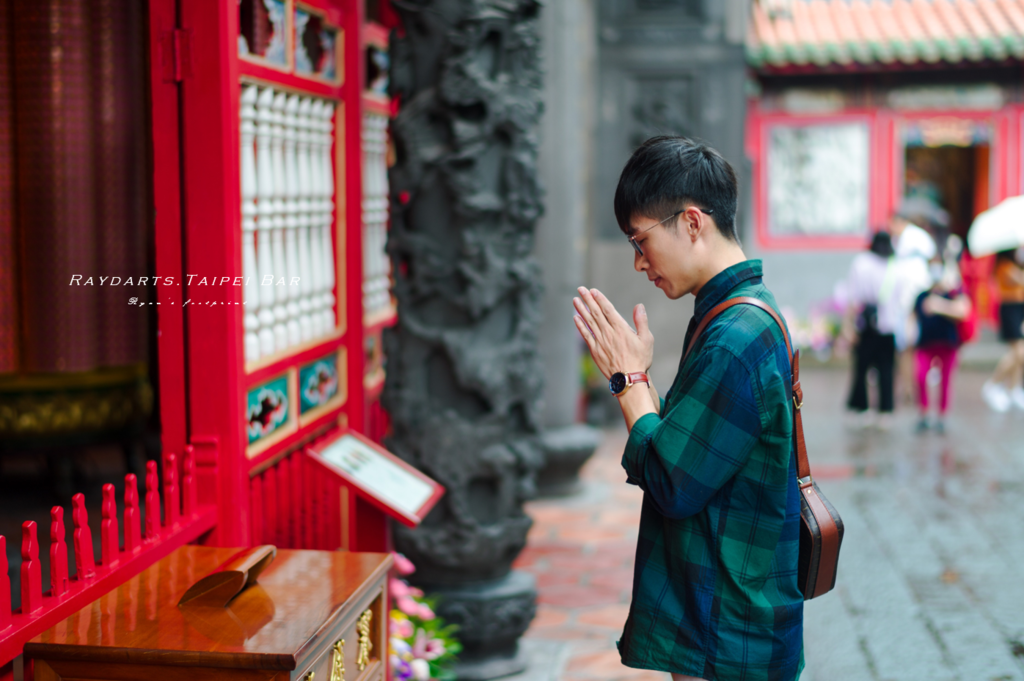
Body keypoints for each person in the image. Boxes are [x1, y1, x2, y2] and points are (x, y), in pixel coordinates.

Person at [572, 137, 802, 681]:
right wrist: (639, 381)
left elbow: (673, 480)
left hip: (727, 629)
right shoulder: (736, 314)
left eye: (640, 239)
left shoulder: (735, 335)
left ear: (692, 222)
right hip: (727, 614)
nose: (638, 261)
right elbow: (688, 451)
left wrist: (628, 382)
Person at [840, 231, 900, 426]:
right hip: (888, 325)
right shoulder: (895, 265)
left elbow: (853, 297)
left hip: (865, 325)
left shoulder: (861, 262)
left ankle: (861, 407)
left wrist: (848, 325)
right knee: (887, 369)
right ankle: (886, 410)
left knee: (861, 367)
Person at [913, 236, 971, 433]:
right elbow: (913, 316)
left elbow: (963, 311)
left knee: (946, 381)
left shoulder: (954, 292)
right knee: (920, 377)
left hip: (948, 342)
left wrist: (939, 306)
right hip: (925, 343)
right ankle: (924, 414)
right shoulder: (921, 294)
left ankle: (942, 416)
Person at [981, 248, 1024, 412]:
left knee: (1019, 354)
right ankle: (993, 384)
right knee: (1018, 352)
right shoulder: (1004, 265)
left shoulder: (1014, 264)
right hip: (1009, 309)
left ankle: (1013, 389)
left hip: (1019, 308)